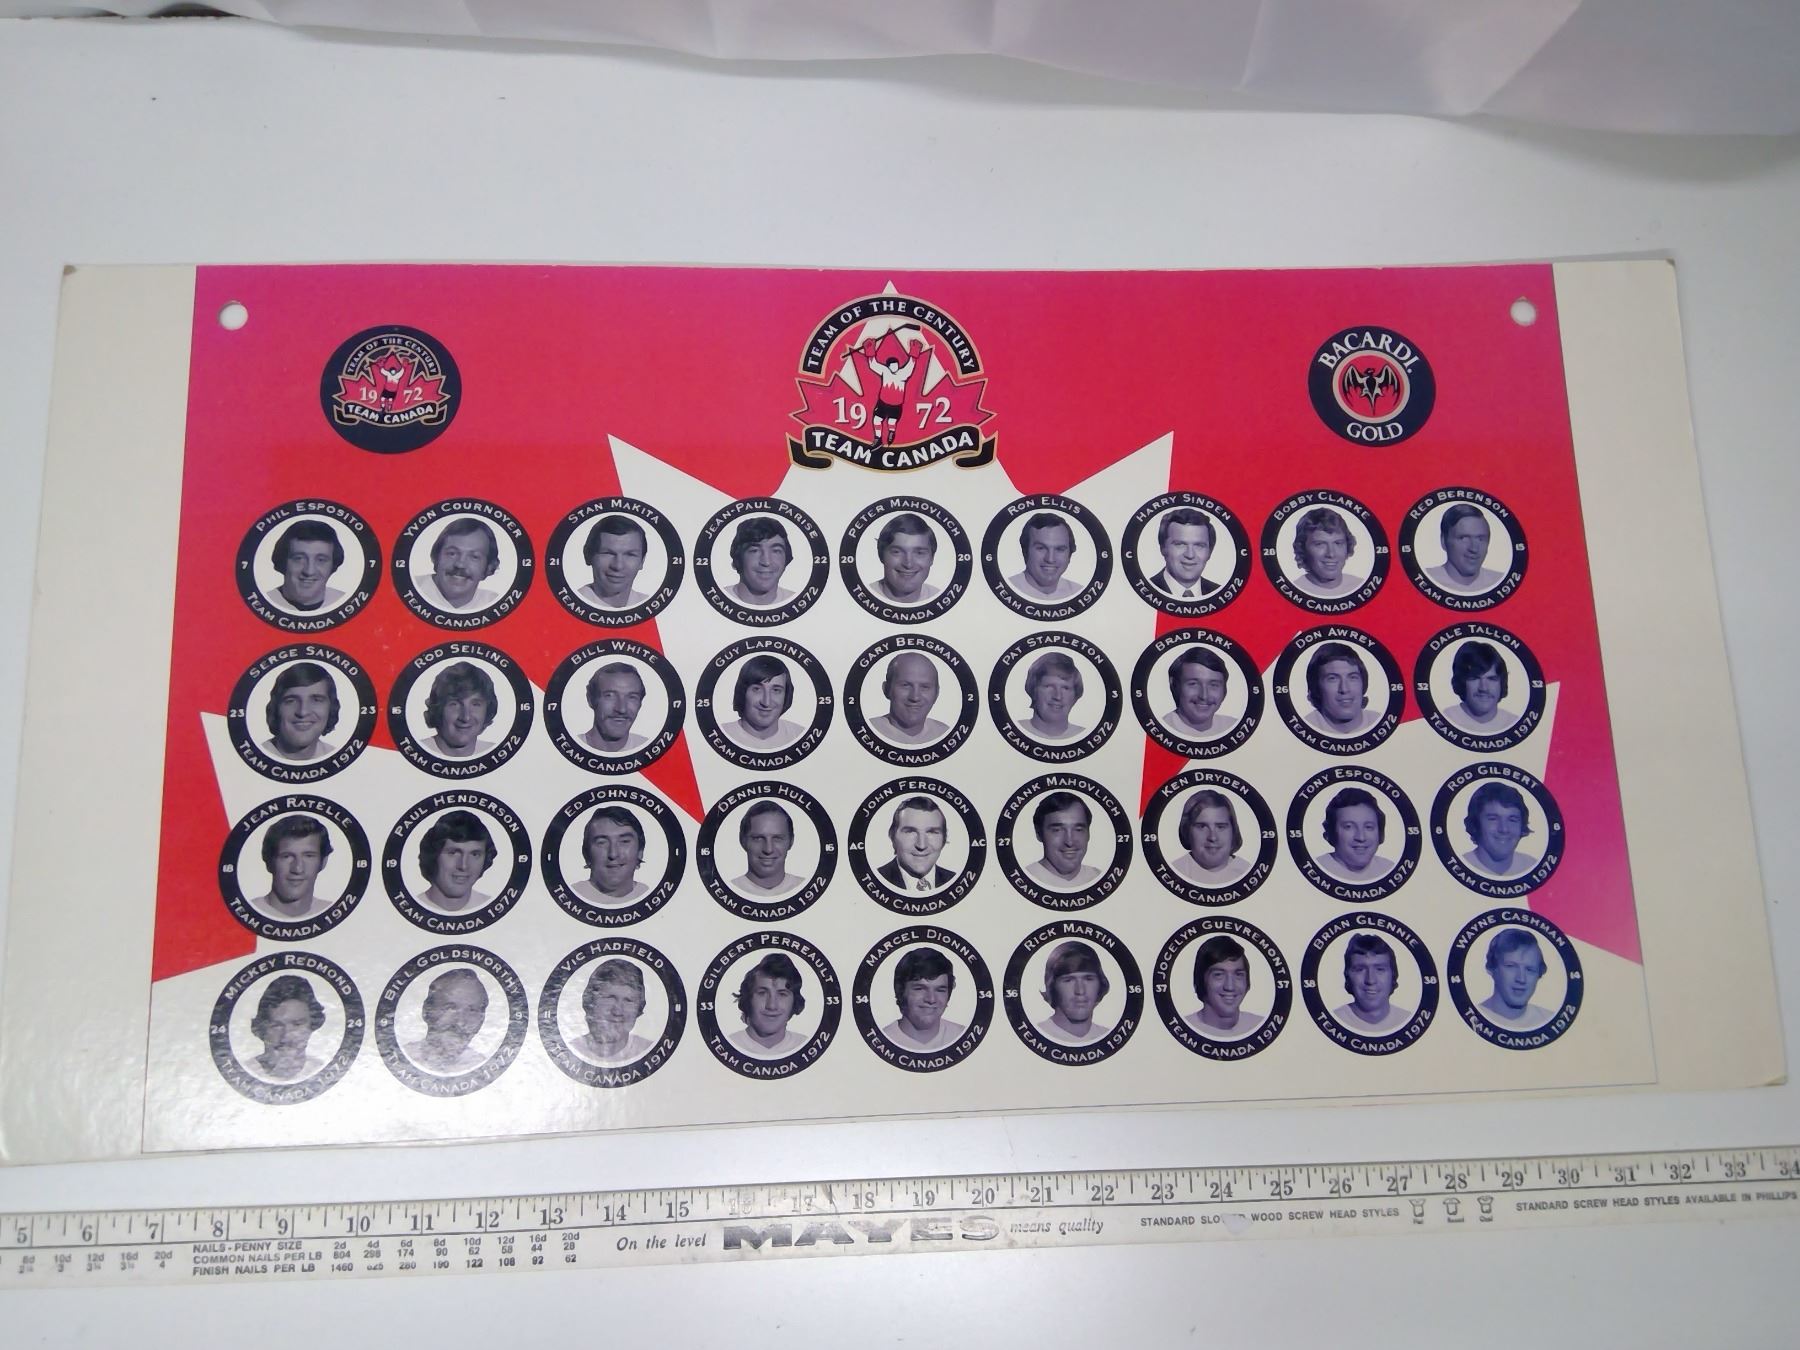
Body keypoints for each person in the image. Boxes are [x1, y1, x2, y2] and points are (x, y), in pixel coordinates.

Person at [403, 968, 490, 1074]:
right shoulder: (402, 1057)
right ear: (427, 1011)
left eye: (472, 1011)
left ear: (481, 1020)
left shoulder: (485, 1069)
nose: (461, 1022)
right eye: (451, 1008)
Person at [250, 813, 335, 920]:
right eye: (286, 856)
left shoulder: (333, 912)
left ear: (323, 862)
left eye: (309, 856)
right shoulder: (247, 912)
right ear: (269, 862)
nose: (297, 869)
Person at [569, 959, 655, 1065]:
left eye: (628, 1000)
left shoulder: (651, 1052)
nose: (617, 1011)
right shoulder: (569, 1051)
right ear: (590, 1002)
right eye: (610, 998)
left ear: (639, 1008)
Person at [880, 947, 966, 1051]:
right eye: (920, 989)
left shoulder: (963, 1037)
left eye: (940, 990)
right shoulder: (881, 1041)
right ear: (900, 991)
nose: (931, 999)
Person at [726, 953, 809, 1057]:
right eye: (762, 993)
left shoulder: (805, 1045)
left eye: (782, 994)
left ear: (794, 1001)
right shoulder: (729, 1045)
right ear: (748, 999)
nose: (771, 1006)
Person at [249, 974, 328, 1081]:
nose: (286, 1036)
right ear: (261, 1028)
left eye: (297, 1024)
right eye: (276, 1025)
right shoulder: (244, 1071)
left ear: (312, 1025)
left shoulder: (324, 1071)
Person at [258, 661, 340, 762]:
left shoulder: (336, 757)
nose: (303, 712)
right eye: (291, 701)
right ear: (276, 708)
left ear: (331, 708)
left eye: (316, 700)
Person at [416, 516, 503, 612]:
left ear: (489, 567)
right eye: (452, 553)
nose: (460, 564)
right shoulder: (412, 589)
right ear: (437, 557)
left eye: (474, 557)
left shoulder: (496, 604)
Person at [416, 809, 496, 913]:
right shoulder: (410, 907)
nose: (463, 866)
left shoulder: (492, 906)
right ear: (433, 856)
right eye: (453, 853)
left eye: (475, 854)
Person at [1331, 933, 1413, 1035]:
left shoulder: (1407, 1021)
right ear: (1348, 975)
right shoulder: (1334, 1020)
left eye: (1380, 969)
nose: (1370, 980)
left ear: (1393, 974)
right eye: (1360, 969)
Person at [1184, 935, 1264, 1039]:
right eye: (1218, 975)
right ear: (1200, 980)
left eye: (1238, 974)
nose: (1230, 986)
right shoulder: (1184, 1029)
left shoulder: (1260, 1027)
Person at [1034, 940, 1112, 1044]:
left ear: (1100, 984)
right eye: (1068, 980)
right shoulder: (1037, 1035)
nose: (1080, 991)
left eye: (1088, 979)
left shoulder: (1108, 1037)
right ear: (1052, 986)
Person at [570, 805, 650, 905]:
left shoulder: (648, 895)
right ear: (586, 854)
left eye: (624, 841)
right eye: (602, 842)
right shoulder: (571, 896)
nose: (613, 854)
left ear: (640, 851)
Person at [1169, 790, 1252, 886]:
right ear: (1187, 831)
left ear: (1233, 831)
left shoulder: (1249, 872)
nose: (1213, 837)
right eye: (1202, 826)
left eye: (1220, 827)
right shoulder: (1173, 873)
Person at [1314, 787, 1396, 883]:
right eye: (1348, 827)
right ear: (1331, 833)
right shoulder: (1317, 868)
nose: (1361, 837)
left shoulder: (1389, 869)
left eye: (1368, 827)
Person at [1459, 782, 1540, 878]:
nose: (1504, 829)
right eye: (1493, 819)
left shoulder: (1533, 867)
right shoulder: (1461, 866)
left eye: (1512, 820)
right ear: (1475, 824)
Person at [722, 654, 803, 749]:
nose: (766, 702)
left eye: (776, 690)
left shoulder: (799, 735)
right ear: (742, 693)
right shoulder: (722, 735)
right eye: (757, 689)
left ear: (786, 695)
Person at [875, 796, 955, 893]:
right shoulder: (876, 879)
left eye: (932, 832)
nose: (921, 845)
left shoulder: (954, 880)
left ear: (944, 839)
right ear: (892, 837)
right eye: (910, 831)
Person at [869, 651, 950, 745]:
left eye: (925, 687)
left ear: (937, 693)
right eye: (905, 685)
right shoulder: (869, 730)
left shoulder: (945, 734)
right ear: (887, 689)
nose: (915, 697)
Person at [1023, 791, 1101, 890]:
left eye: (1078, 830)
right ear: (1039, 834)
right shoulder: (1025, 878)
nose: (1069, 842)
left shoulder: (1099, 878)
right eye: (1057, 830)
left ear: (1088, 834)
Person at [1478, 928, 1554, 1029]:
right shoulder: (1474, 1016)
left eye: (1530, 970)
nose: (1521, 979)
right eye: (1511, 966)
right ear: (1492, 968)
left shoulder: (1549, 1020)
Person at [265, 518, 346, 613]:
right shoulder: (264, 602)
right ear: (282, 562)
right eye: (299, 558)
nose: (309, 571)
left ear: (333, 564)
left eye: (321, 560)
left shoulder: (345, 602)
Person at [422, 660, 499, 759]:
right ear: (438, 710)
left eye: (475, 704)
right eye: (454, 704)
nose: (466, 717)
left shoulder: (495, 753)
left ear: (487, 711)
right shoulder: (416, 752)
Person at [727, 801, 804, 897]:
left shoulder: (804, 888)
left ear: (791, 841)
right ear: (743, 841)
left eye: (777, 838)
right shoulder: (728, 890)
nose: (768, 849)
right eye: (758, 838)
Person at [1302, 642, 1379, 737]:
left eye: (1352, 677)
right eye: (1332, 678)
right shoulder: (1305, 726)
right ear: (1316, 687)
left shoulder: (1378, 721)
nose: (1344, 689)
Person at [1425, 504, 1505, 593]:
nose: (1474, 549)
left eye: (1480, 539)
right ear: (1443, 541)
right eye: (1463, 538)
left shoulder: (1501, 582)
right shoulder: (1426, 580)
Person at [576, 514, 651, 609]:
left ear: (642, 561)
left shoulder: (650, 606)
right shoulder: (570, 605)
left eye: (630, 554)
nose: (618, 566)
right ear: (588, 555)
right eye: (608, 553)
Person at [1442, 641, 1518, 735]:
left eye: (1491, 679)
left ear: (1501, 683)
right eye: (1474, 678)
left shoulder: (1514, 724)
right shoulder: (1445, 719)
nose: (1483, 688)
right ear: (1461, 682)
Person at [1164, 646, 1236, 740]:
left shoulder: (1233, 727)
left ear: (1224, 690)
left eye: (1213, 685)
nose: (1204, 696)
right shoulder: (1162, 727)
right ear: (1174, 685)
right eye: (1193, 684)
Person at [1289, 506, 1363, 598]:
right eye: (1320, 544)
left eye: (1338, 543)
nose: (1331, 554)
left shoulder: (1360, 586)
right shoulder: (1293, 591)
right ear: (1302, 549)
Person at [1006, 512, 1080, 602]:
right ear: (1025, 551)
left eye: (1060, 549)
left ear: (1070, 554)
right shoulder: (1007, 589)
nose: (1050, 559)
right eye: (1041, 548)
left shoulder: (1078, 592)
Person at [1149, 508, 1219, 599]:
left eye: (1199, 545)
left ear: (1210, 552)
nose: (1190, 555)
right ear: (1163, 548)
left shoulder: (1218, 592)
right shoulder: (1147, 588)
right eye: (1180, 544)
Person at [725, 517, 795, 607]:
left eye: (776, 551)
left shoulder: (795, 600)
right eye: (755, 551)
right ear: (738, 559)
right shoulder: (717, 600)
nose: (766, 562)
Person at [873, 512, 940, 604]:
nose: (908, 564)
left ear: (932, 558)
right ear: (881, 555)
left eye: (919, 553)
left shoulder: (939, 596)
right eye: (897, 552)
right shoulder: (864, 594)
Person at [582, 662, 649, 755]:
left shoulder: (648, 748)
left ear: (640, 703)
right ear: (591, 699)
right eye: (610, 696)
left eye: (632, 697)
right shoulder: (570, 748)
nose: (622, 709)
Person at [1019, 651, 1086, 741]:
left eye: (1065, 688)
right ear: (1033, 690)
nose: (1057, 696)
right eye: (1049, 686)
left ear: (1075, 695)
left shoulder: (1085, 735)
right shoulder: (1016, 730)